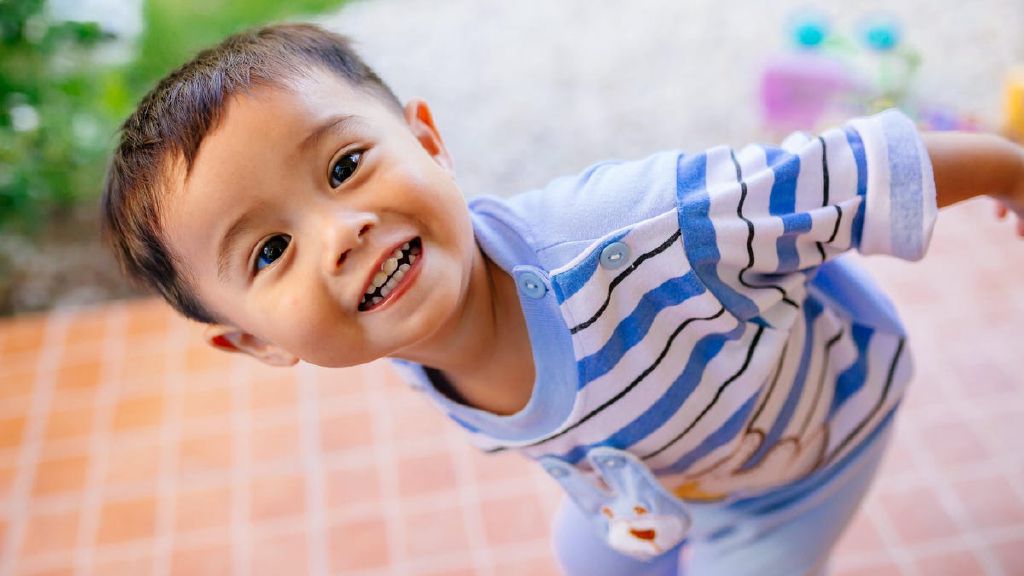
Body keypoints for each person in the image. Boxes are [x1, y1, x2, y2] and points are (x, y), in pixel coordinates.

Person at [101, 23, 1024, 576]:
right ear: (257, 342)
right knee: (588, 557)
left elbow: (850, 173)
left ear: (429, 144)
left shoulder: (644, 230)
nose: (341, 232)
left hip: (804, 442)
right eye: (271, 250)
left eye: (345, 166)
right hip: (653, 469)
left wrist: (1008, 170)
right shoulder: (403, 323)